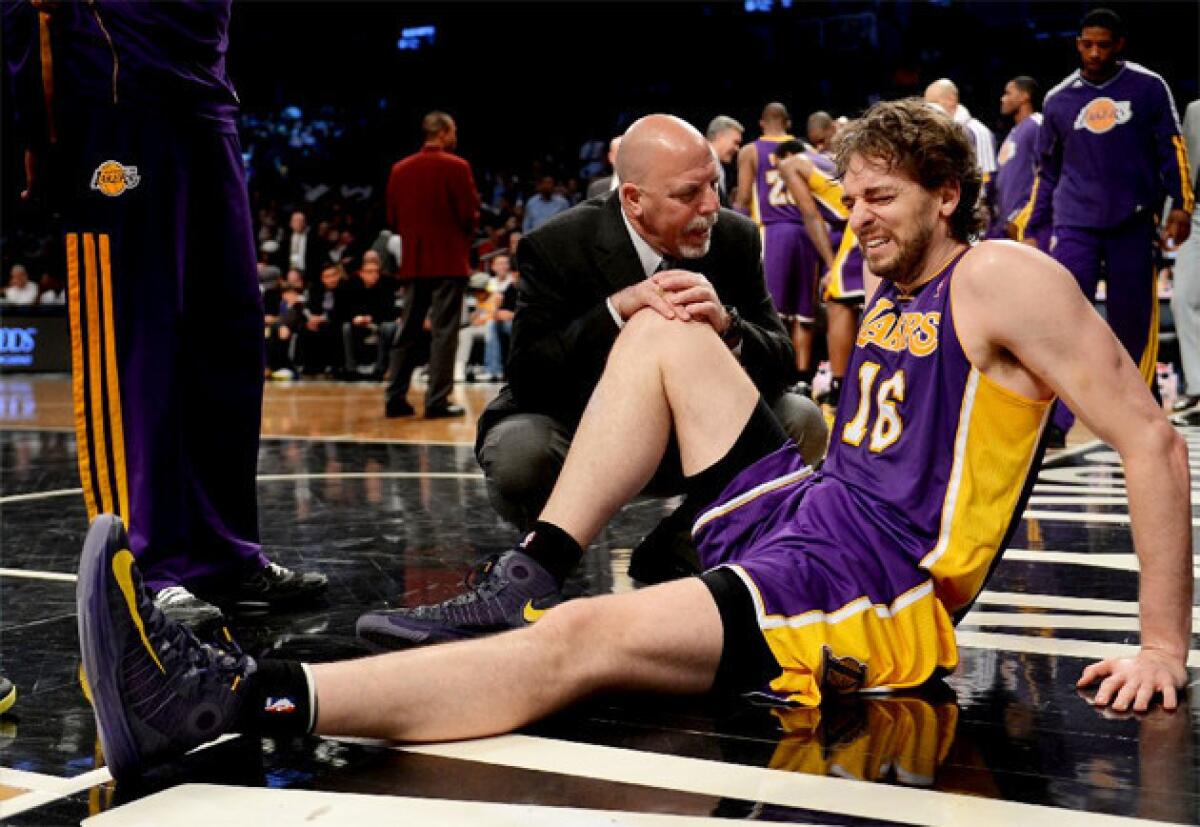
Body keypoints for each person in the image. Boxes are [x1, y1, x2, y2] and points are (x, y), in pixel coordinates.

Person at [78, 99, 1192, 784]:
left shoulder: (1002, 274)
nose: (862, 218)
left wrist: (1158, 646)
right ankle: (524, 571)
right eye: (852, 198)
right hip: (814, 512)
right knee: (662, 328)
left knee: (587, 641)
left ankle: (238, 696)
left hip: (869, 587)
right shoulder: (896, 274)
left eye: (886, 197)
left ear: (953, 194)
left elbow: (1152, 439)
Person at [3, 0, 327, 627]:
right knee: (136, 344)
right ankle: (140, 563)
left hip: (207, 101)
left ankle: (224, 556)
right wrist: (37, 131)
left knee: (228, 340)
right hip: (114, 102)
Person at [472, 114, 827, 586]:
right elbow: (530, 375)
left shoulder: (736, 238)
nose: (710, 207)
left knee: (802, 419)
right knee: (520, 451)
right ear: (633, 199)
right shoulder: (558, 244)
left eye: (714, 186)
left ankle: (677, 547)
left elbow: (783, 361)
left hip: (693, 437)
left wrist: (730, 327)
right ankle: (552, 553)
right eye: (687, 194)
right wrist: (614, 312)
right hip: (585, 435)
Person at [1026, 8, 1193, 444]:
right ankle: (1056, 423)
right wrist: (1035, 225)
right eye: (1087, 44)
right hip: (1075, 223)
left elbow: (1173, 150)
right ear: (1077, 43)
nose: (1095, 52)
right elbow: (1047, 170)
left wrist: (1182, 207)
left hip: (1133, 220)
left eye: (1104, 44)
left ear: (1120, 44)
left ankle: (1137, 416)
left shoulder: (1149, 87)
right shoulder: (1059, 99)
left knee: (1132, 324)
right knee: (1062, 321)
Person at [383, 111, 481, 419]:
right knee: (444, 333)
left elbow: (392, 219)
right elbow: (470, 214)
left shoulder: (400, 170)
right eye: (453, 131)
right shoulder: (457, 167)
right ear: (443, 132)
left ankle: (394, 397)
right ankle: (437, 400)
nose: (456, 137)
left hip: (414, 262)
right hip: (449, 261)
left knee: (407, 330)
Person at [734, 103, 824, 388]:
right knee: (804, 311)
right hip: (806, 232)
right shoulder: (805, 150)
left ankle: (777, 375)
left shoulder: (750, 151)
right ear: (788, 122)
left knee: (774, 310)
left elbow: (744, 199)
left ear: (762, 123)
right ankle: (802, 379)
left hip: (772, 233)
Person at [776, 143, 865, 410]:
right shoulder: (825, 158)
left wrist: (830, 265)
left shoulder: (789, 165)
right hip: (860, 215)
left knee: (836, 297)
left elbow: (811, 216)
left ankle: (840, 387)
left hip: (859, 217)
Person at [987, 76, 1048, 249]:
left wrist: (1024, 217)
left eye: (1008, 93)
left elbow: (1046, 174)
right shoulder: (1014, 132)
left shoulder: (1037, 125)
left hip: (1026, 226)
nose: (1002, 98)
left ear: (1024, 97)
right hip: (1006, 225)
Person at [1171, 99, 1200, 411]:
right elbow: (1186, 165)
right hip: (1197, 216)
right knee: (1183, 299)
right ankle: (1197, 386)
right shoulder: (1196, 110)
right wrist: (1174, 213)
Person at [705, 115, 745, 207]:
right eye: (735, 142)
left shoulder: (716, 164)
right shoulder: (702, 161)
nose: (737, 149)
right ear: (720, 136)